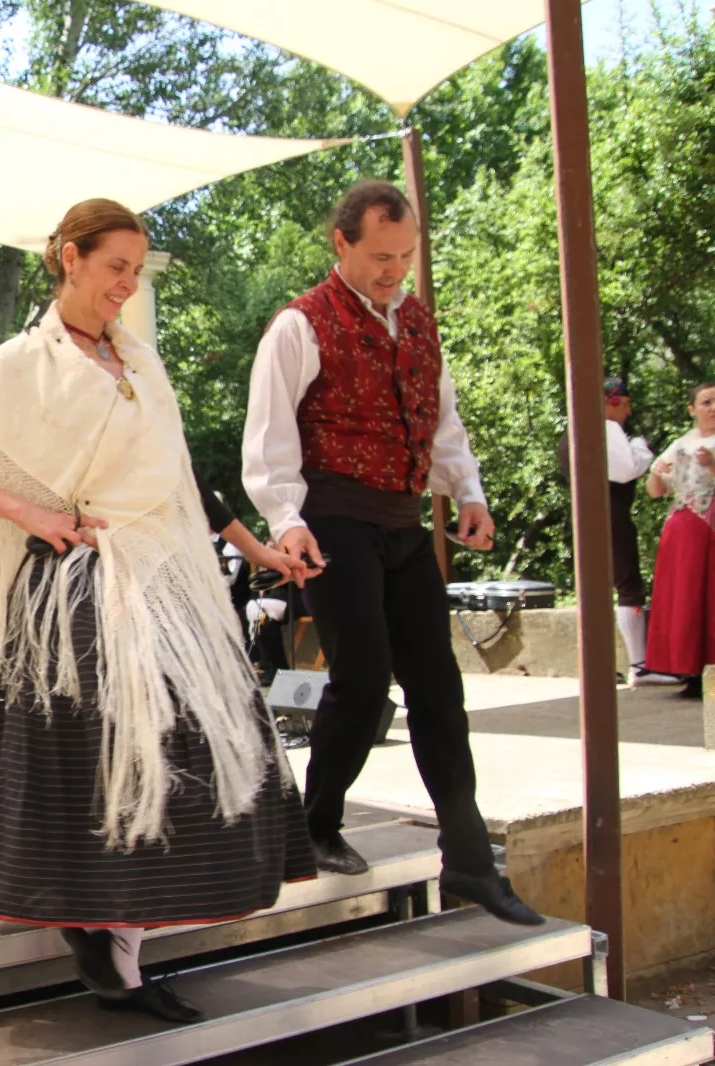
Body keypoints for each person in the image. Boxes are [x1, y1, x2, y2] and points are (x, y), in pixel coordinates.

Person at [0, 199, 313, 1025]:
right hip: (81, 589)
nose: (128, 283)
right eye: (114, 267)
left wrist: (258, 547)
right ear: (68, 259)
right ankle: (107, 948)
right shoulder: (26, 362)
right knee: (117, 757)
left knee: (203, 741)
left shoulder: (139, 361)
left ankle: (114, 936)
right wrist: (35, 515)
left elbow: (182, 477)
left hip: (164, 575)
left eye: (137, 269)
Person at [242, 179, 540, 926]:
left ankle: (469, 861)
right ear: (341, 243)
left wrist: (467, 493)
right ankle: (318, 821)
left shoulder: (419, 323)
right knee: (364, 679)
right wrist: (286, 519)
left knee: (439, 689)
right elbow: (269, 440)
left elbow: (443, 423)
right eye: (380, 256)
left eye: (405, 256)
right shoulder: (299, 325)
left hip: (405, 522)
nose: (394, 271)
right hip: (333, 515)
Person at [557, 378, 677, 687]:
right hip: (610, 515)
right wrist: (640, 447)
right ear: (612, 402)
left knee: (595, 590)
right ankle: (640, 665)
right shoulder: (607, 429)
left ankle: (599, 665)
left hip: (585, 517)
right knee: (629, 587)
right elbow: (626, 469)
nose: (628, 411)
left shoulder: (573, 432)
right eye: (625, 404)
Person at [644, 382, 715, 698]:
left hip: (710, 520)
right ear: (692, 409)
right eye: (706, 402)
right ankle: (689, 668)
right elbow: (655, 492)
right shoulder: (680, 444)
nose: (713, 408)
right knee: (684, 596)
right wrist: (657, 473)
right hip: (683, 525)